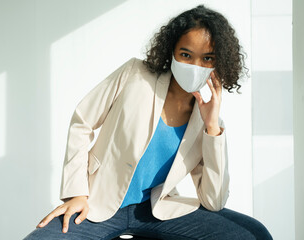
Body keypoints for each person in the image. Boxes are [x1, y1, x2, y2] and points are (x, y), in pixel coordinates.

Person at [24, 5, 273, 240]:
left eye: (207, 59)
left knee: (253, 234)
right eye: (186, 54)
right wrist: (77, 194)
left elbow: (213, 201)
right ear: (171, 51)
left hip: (156, 211)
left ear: (219, 63)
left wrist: (212, 127)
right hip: (97, 204)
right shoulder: (134, 74)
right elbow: (82, 122)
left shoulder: (206, 119)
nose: (196, 66)